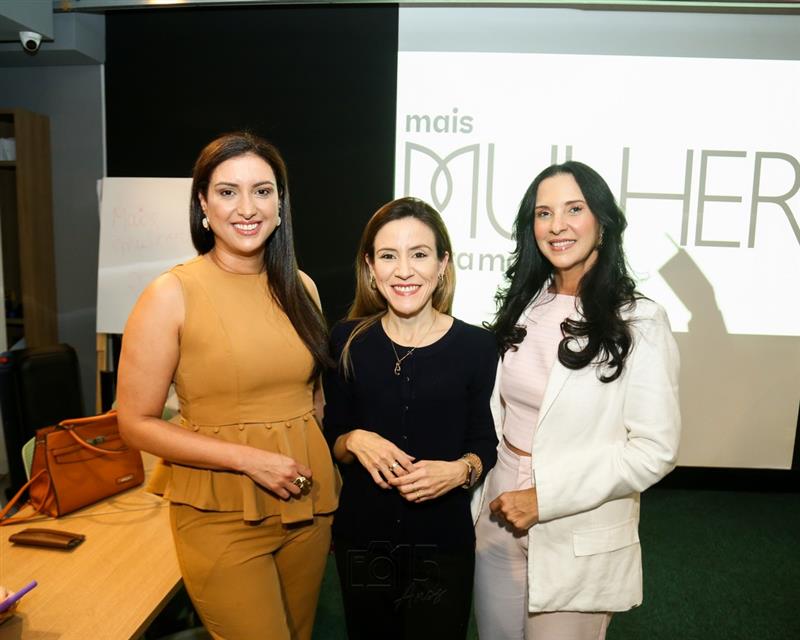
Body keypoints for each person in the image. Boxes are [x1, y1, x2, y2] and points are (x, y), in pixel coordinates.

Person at [117, 132, 338, 640]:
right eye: (227, 191)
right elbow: (135, 423)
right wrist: (249, 459)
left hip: (306, 503)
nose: (247, 208)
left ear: (280, 204)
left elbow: (314, 398)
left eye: (262, 191)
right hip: (218, 512)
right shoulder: (171, 294)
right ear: (203, 204)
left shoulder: (302, 287)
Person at [473, 161, 681, 639]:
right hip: (495, 514)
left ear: (602, 223)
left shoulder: (640, 321)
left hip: (577, 528)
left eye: (574, 209)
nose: (557, 225)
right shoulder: (524, 305)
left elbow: (655, 450)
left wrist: (543, 499)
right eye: (543, 213)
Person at [323, 197, 498, 640]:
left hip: (442, 546)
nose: (404, 271)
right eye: (388, 256)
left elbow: (484, 440)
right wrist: (354, 439)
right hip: (363, 543)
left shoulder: (477, 347)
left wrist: (461, 471)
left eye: (419, 254)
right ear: (370, 267)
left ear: (442, 264)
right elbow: (333, 436)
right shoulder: (346, 340)